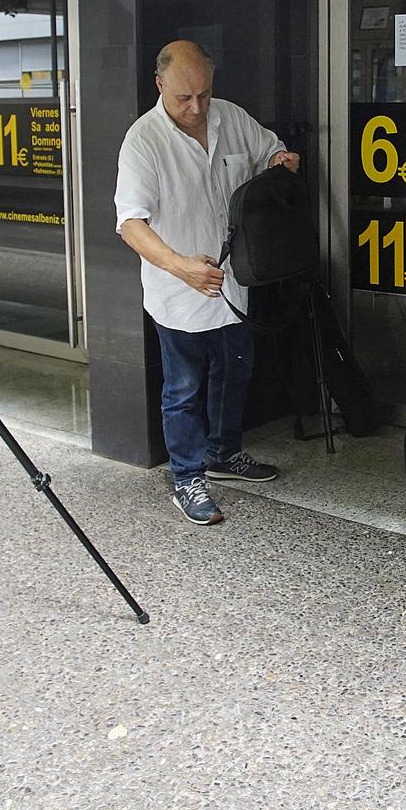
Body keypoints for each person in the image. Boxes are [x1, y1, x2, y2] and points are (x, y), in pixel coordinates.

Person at [115, 40, 299, 525]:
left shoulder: (231, 117)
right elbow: (130, 224)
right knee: (183, 387)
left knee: (235, 372)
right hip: (178, 290)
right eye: (184, 98)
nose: (196, 108)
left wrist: (281, 163)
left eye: (203, 94)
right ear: (160, 86)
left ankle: (223, 454)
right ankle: (187, 477)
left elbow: (271, 151)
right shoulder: (144, 140)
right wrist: (179, 266)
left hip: (233, 282)